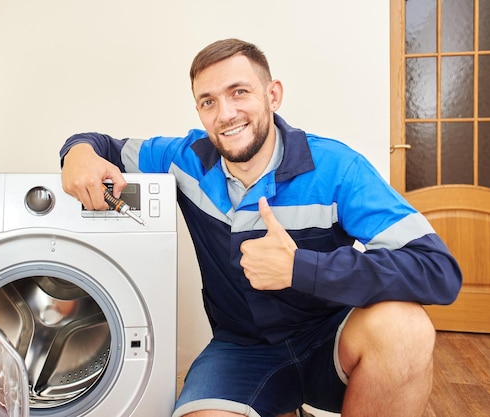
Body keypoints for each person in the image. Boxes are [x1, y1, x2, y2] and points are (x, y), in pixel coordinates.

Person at [59, 39, 462, 417]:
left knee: (405, 329)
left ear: (273, 95)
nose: (226, 113)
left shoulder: (338, 168)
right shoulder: (183, 159)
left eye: (239, 92)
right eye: (208, 101)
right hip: (241, 351)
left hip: (332, 341)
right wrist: (76, 153)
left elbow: (437, 271)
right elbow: (102, 145)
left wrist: (301, 268)